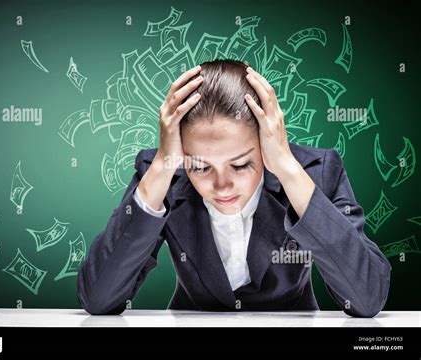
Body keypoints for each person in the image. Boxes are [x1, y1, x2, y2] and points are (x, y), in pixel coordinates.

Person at [77, 59, 391, 317]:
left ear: (267, 144)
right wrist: (162, 165)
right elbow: (98, 300)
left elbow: (367, 300)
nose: (222, 184)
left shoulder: (317, 173)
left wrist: (287, 168)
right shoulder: (164, 175)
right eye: (200, 166)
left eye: (241, 164)